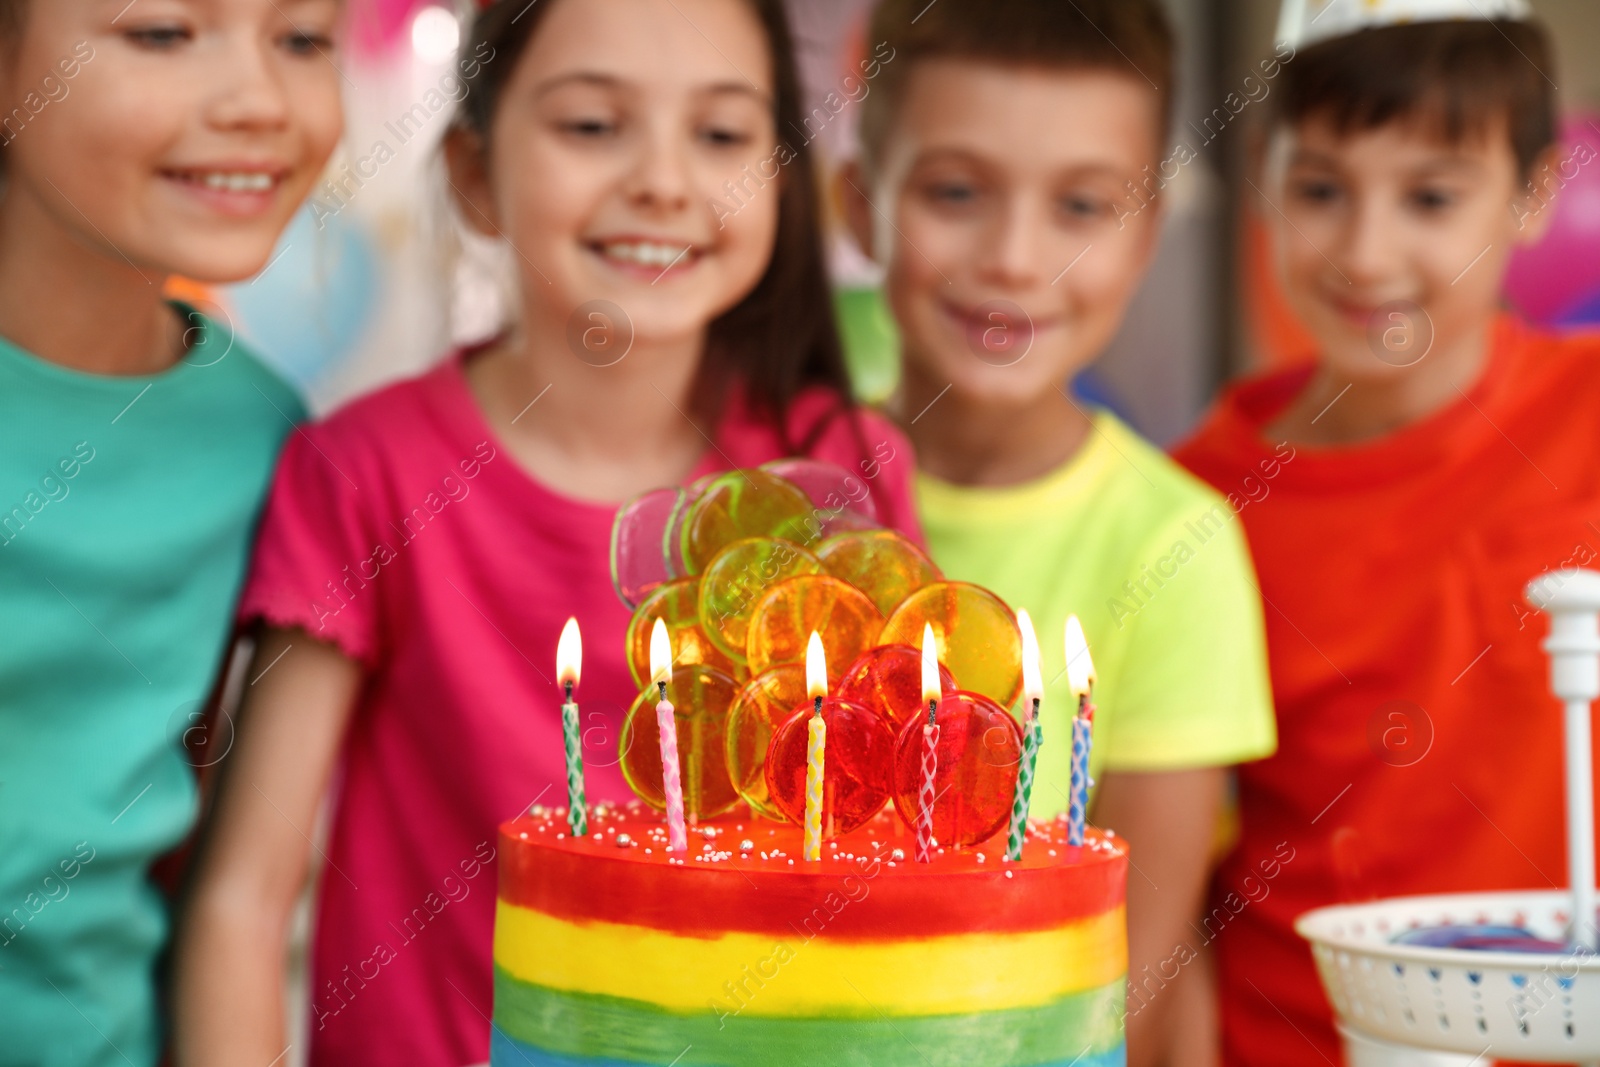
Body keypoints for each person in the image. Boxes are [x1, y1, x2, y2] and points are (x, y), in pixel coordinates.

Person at [173, 0, 917, 1064]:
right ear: (476, 175)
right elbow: (244, 899)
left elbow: (882, 882)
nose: (664, 179)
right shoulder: (368, 476)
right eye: (590, 125)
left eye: (720, 134)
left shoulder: (847, 473)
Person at [841, 3, 1278, 1064]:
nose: (1014, 255)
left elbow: (1129, 972)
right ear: (862, 205)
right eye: (955, 191)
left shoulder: (1174, 547)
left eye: (1080, 204)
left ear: (1144, 231)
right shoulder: (779, 488)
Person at [1173, 2, 1600, 1063]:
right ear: (1266, 179)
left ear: (1536, 193)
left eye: (1430, 196)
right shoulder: (1192, 502)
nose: (1365, 254)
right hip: (1297, 1040)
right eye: (1320, 189)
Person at [0, 2, 343, 1064]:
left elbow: (197, 859)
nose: (256, 103)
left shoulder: (267, 441)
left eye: (302, 39)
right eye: (161, 32)